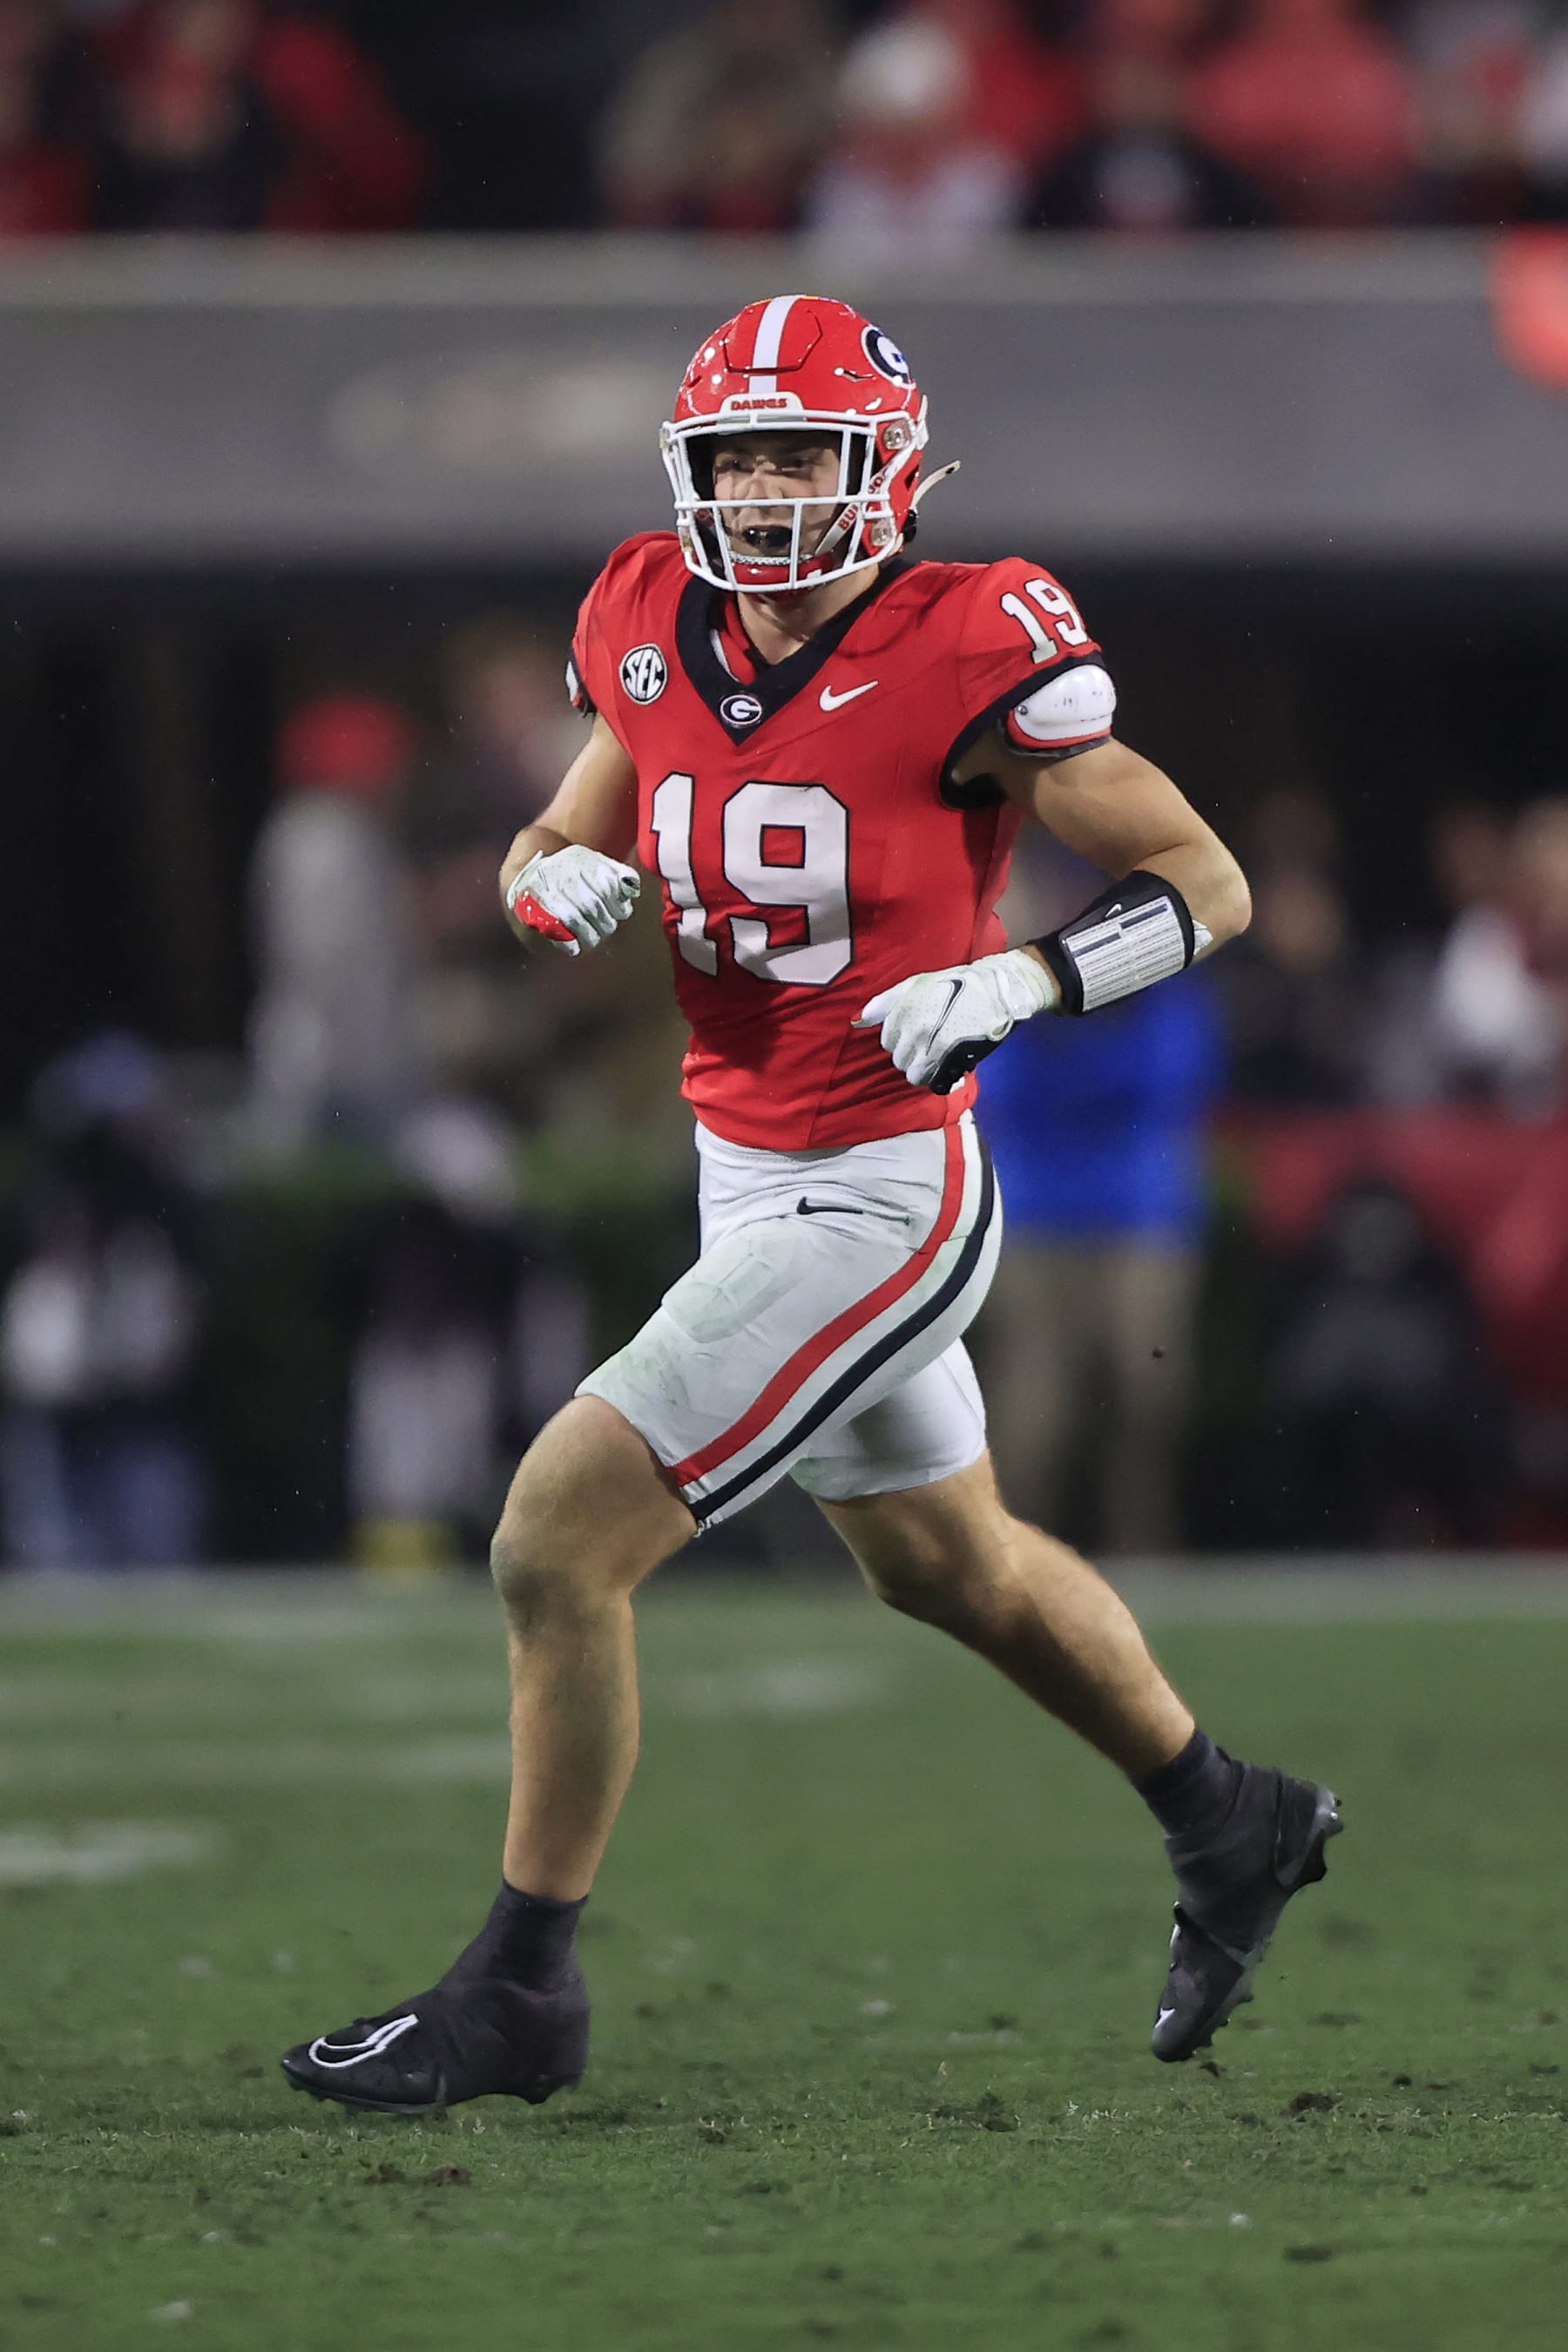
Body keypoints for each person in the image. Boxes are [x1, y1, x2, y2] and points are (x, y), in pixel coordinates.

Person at [282, 294, 1341, 2115]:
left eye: (803, 454)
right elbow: (573, 826)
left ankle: (521, 1989)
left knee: (554, 1537)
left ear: (891, 473)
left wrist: (1023, 984)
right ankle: (1230, 1814)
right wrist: (545, 886)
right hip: (740, 1166)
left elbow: (1208, 881)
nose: (768, 495)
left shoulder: (965, 638)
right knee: (955, 1567)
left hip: (883, 1185)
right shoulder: (642, 615)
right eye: (739, 458)